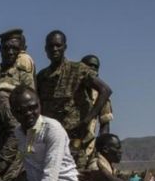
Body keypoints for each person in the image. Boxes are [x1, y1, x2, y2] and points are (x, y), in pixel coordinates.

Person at [35, 30, 113, 170]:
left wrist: (87, 120)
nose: (55, 49)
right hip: (50, 141)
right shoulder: (42, 77)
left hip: (74, 142)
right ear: (45, 49)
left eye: (58, 45)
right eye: (51, 46)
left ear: (65, 47)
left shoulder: (77, 70)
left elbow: (105, 90)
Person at [79, 54, 113, 137]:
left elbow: (104, 122)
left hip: (87, 141)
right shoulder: (71, 87)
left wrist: (102, 142)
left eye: (95, 66)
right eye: (89, 65)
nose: (93, 68)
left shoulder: (101, 94)